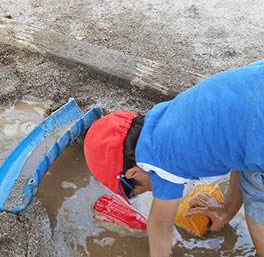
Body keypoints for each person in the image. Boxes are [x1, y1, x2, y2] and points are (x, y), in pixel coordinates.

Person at [83, 60, 264, 257]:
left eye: (131, 190)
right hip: (256, 85)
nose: (146, 193)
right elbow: (240, 145)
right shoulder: (166, 115)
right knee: (253, 173)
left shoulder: (160, 160)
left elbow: (160, 225)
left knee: (257, 199)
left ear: (133, 172)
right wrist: (227, 210)